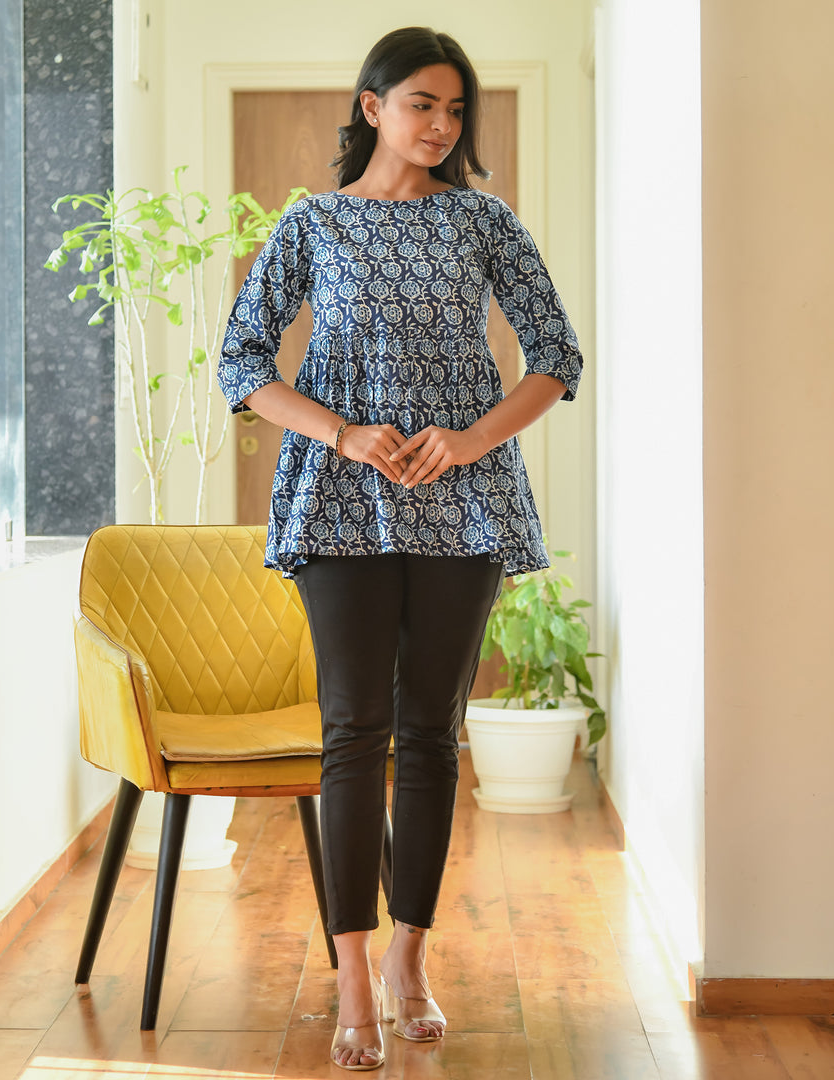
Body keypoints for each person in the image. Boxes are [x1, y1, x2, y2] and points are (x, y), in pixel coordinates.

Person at [218, 25, 583, 1072]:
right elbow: (243, 361)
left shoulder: (483, 220)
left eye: (456, 108)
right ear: (371, 106)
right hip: (338, 499)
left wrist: (467, 440)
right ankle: (350, 981)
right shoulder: (315, 223)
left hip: (461, 502)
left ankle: (409, 962)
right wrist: (340, 430)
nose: (441, 124)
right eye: (422, 103)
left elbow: (555, 354)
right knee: (352, 732)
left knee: (431, 734)